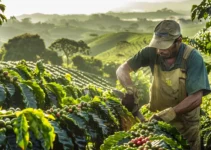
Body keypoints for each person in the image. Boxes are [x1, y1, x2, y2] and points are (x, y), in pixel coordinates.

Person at [116, 20, 211, 150]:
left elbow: (196, 98)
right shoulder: (151, 52)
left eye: (165, 46)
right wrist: (130, 89)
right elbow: (122, 69)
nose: (160, 50)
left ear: (179, 41)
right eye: (157, 45)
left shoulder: (192, 58)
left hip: (185, 125)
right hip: (157, 122)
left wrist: (169, 114)